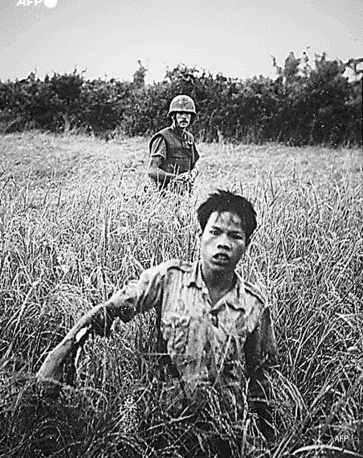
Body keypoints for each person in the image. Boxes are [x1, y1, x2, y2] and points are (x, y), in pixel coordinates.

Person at [37, 190, 278, 444]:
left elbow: (262, 377)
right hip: (165, 429)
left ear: (246, 245)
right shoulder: (168, 279)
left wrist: (265, 439)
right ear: (200, 236)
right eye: (215, 232)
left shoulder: (254, 306)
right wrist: (61, 353)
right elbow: (110, 310)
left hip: (225, 432)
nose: (223, 244)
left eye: (235, 236)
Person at [148, 94, 200, 192]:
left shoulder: (189, 138)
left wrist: (192, 174)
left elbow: (195, 165)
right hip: (163, 194)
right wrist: (176, 178)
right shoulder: (163, 137)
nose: (184, 117)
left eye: (188, 114)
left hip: (184, 194)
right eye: (180, 113)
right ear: (173, 116)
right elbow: (152, 171)